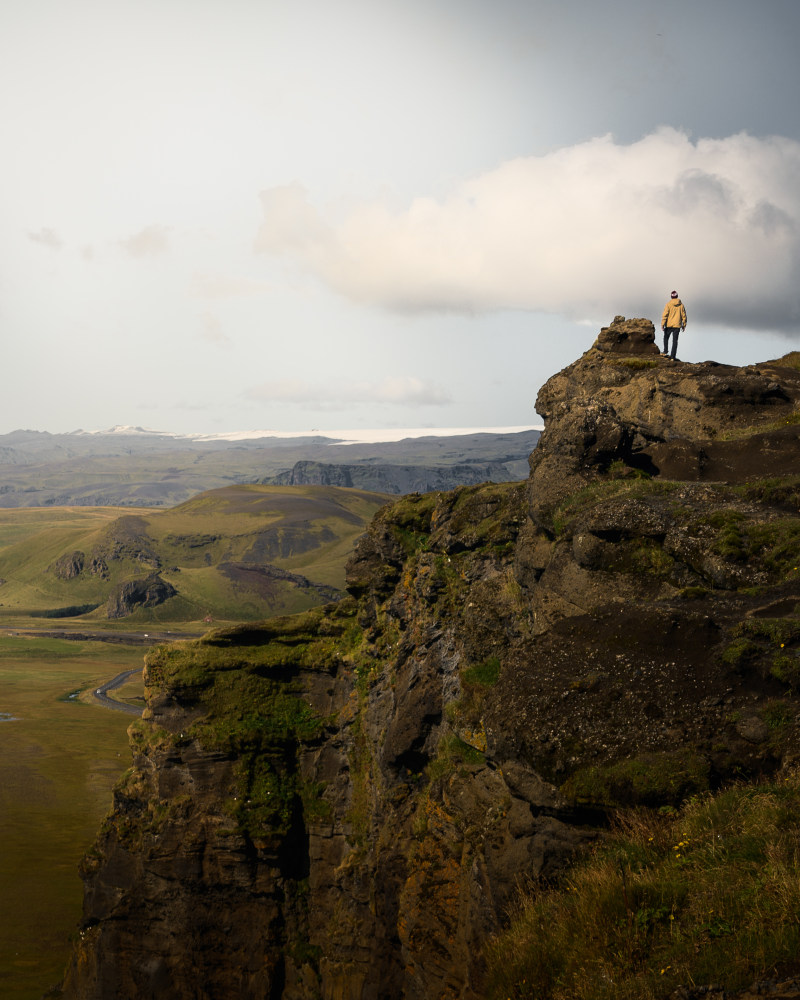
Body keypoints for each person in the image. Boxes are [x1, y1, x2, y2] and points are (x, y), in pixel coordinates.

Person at [661, 290, 687, 360]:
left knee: (666, 338)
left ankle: (665, 351)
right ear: (677, 296)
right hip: (677, 326)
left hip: (669, 325)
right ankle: (673, 357)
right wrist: (684, 325)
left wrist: (662, 324)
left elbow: (665, 315)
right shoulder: (681, 305)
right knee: (675, 341)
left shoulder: (668, 304)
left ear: (671, 296)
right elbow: (684, 316)